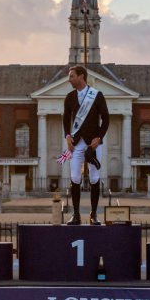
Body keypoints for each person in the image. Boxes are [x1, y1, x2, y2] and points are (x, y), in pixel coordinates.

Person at [61, 65, 110, 226]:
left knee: (94, 178)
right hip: (76, 144)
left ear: (81, 76)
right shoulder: (69, 97)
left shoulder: (97, 95)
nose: (69, 80)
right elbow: (66, 119)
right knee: (75, 177)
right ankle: (76, 215)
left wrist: (99, 138)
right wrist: (67, 135)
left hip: (93, 144)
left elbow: (106, 119)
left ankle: (94, 215)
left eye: (71, 76)